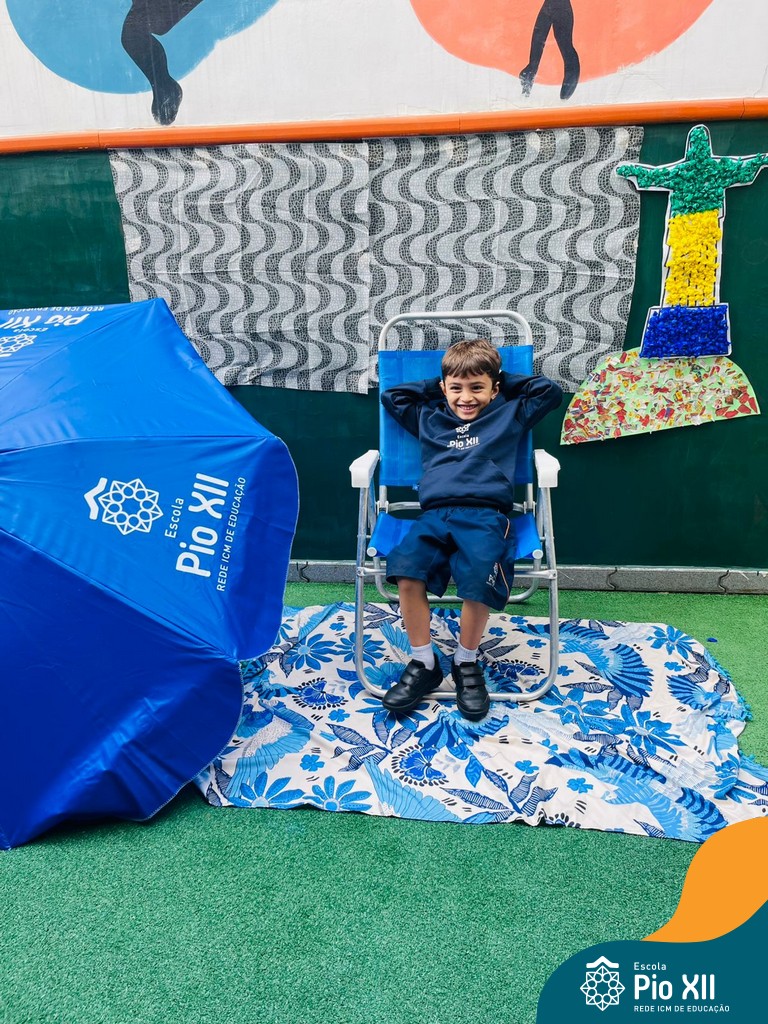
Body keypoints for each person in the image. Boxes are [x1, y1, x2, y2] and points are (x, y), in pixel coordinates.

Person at [380, 338, 563, 721]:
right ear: (443, 388)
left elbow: (549, 392)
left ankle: (466, 661)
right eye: (456, 388)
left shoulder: (509, 413)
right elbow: (392, 396)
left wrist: (499, 380)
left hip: (486, 516)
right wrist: (441, 386)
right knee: (406, 571)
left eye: (477, 387)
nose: (466, 397)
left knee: (480, 578)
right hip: (434, 515)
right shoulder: (429, 418)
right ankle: (424, 663)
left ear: (495, 389)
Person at [519, 0, 580, 102]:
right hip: (557, 6)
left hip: (559, 6)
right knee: (542, 41)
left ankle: (528, 74)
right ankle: (528, 74)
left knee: (564, 46)